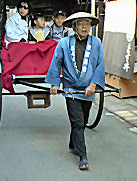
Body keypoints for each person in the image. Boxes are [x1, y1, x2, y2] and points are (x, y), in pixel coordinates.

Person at [45, 12, 105, 171]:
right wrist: (55, 83)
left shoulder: (97, 43)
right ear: (74, 27)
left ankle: (73, 143)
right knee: (77, 121)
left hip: (88, 89)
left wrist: (93, 84)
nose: (85, 27)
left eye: (87, 24)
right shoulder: (64, 43)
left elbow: (100, 65)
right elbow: (56, 63)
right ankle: (83, 155)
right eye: (81, 23)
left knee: (82, 121)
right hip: (71, 89)